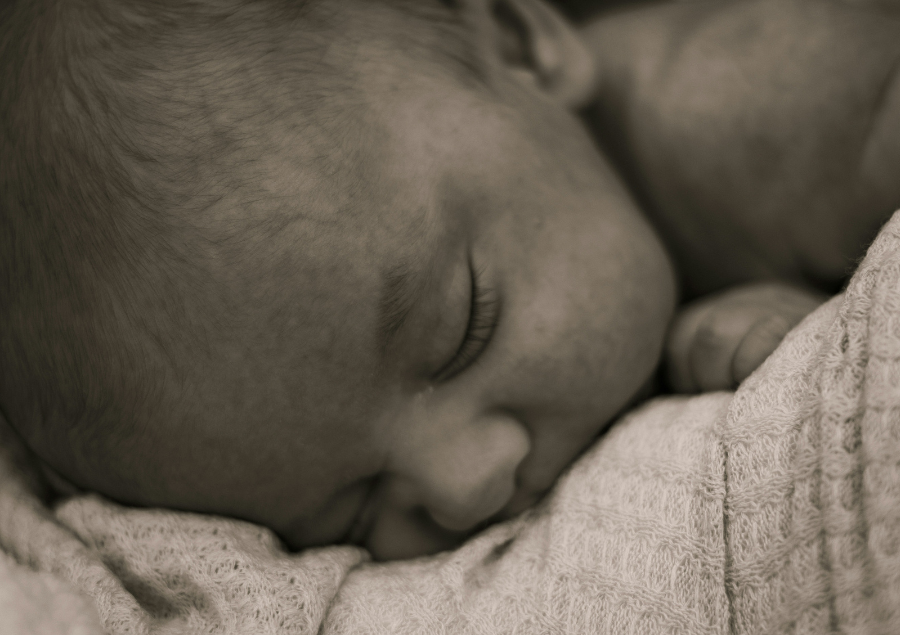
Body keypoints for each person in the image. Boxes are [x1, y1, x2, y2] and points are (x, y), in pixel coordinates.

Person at [0, 0, 894, 562]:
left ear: (522, 43)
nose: (466, 487)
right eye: (350, 514)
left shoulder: (772, 107)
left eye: (466, 326)